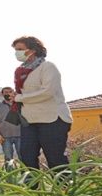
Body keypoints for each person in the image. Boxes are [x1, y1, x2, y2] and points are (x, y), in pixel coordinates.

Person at [8, 36, 73, 171]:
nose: (17, 53)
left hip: (52, 120)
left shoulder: (48, 67)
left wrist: (19, 98)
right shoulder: (20, 71)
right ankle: (33, 189)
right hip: (29, 121)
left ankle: (63, 188)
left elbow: (47, 92)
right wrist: (17, 97)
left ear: (32, 50)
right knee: (27, 157)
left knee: (55, 159)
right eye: (15, 50)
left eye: (20, 49)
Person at [0, 87, 21, 160]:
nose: (8, 93)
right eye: (6, 92)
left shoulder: (19, 104)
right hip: (5, 136)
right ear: (2, 94)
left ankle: (24, 171)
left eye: (10, 91)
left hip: (20, 134)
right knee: (8, 158)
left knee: (23, 156)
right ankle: (10, 171)